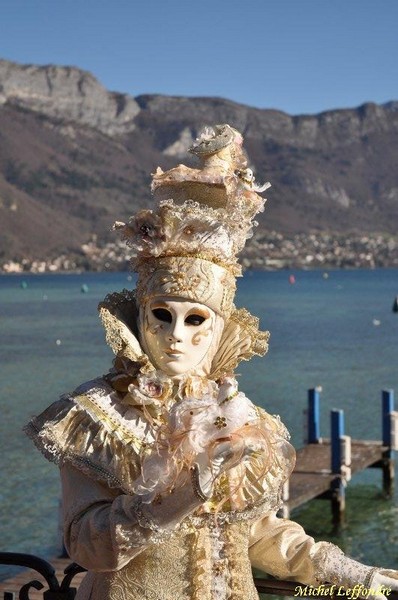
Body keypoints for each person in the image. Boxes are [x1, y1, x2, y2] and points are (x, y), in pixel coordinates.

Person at [25, 125, 398, 600]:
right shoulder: (97, 418)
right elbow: (86, 546)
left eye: (196, 318)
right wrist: (180, 497)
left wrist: (350, 573)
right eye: (161, 315)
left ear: (220, 326)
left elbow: (259, 534)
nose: (177, 335)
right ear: (138, 318)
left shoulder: (242, 419)